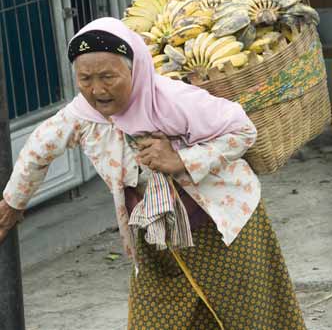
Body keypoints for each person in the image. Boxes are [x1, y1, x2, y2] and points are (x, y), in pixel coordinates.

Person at [0, 17, 306, 329]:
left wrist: (182, 160)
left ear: (134, 70)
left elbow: (243, 131)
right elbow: (38, 148)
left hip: (224, 229)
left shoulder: (174, 100)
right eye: (85, 79)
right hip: (156, 240)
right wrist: (13, 203)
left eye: (108, 77)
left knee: (250, 320)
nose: (97, 89)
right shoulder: (82, 116)